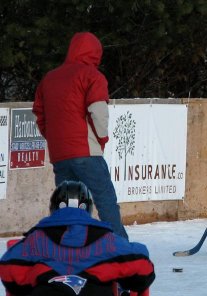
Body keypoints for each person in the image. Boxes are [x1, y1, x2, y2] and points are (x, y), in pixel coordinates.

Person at [32, 32, 128, 239]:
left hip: (60, 154)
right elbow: (98, 112)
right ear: (95, 53)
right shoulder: (92, 76)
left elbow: (39, 114)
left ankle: (66, 247)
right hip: (86, 151)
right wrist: (101, 139)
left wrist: (55, 139)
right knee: (105, 200)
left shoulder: (49, 78)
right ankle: (121, 249)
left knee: (67, 205)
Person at [0, 181, 155, 296]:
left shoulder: (35, 240)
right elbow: (142, 267)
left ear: (53, 208)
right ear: (88, 209)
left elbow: (8, 271)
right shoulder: (106, 240)